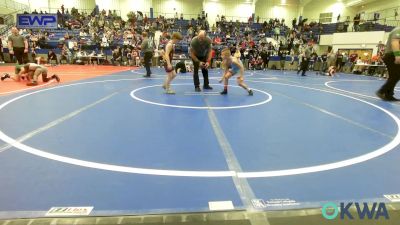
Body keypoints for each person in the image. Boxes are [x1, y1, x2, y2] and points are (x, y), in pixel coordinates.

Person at [376, 27, 400, 101]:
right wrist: (397, 55)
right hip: (391, 55)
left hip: (392, 55)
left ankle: (388, 94)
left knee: (394, 76)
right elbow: (395, 42)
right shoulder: (398, 30)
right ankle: (382, 91)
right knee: (396, 75)